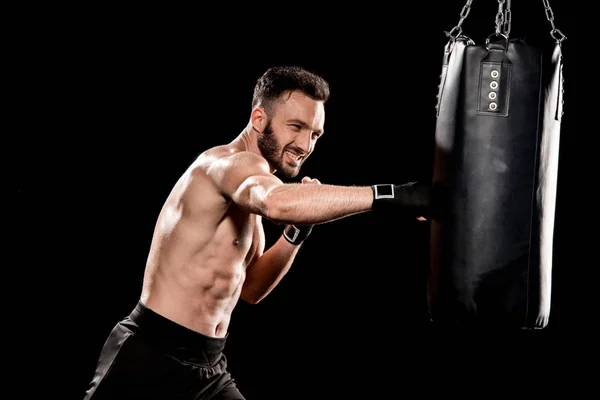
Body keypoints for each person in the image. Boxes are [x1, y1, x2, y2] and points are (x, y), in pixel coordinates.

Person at [83, 65, 433, 400]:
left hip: (208, 367)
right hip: (150, 354)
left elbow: (250, 290)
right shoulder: (227, 165)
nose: (305, 144)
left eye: (315, 134)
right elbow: (277, 204)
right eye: (295, 126)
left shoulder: (252, 189)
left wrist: (296, 234)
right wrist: (391, 196)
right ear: (258, 119)